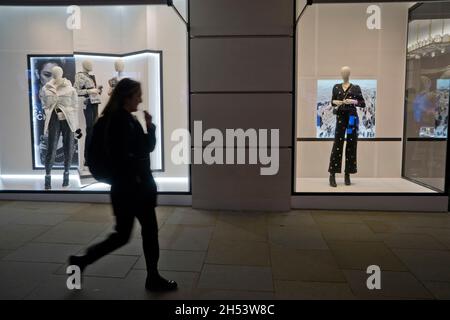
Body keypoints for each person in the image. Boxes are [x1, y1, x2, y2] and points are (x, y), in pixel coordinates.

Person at [69, 78, 177, 292]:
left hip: (126, 188)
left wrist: (149, 127)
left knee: (123, 235)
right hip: (134, 188)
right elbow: (130, 155)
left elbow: (143, 148)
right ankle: (153, 278)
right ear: (127, 97)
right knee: (146, 231)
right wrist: (137, 180)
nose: (141, 99)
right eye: (138, 95)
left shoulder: (120, 119)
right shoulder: (120, 121)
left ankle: (81, 261)